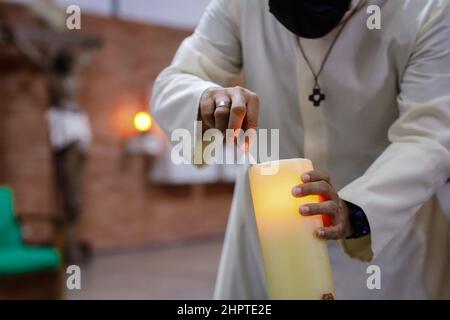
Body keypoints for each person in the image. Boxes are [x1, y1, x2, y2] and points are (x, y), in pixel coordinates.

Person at [152, 0, 450, 299]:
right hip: (270, 231)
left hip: (387, 234)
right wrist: (204, 99)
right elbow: (173, 81)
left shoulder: (427, 8)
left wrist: (356, 210)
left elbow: (429, 134)